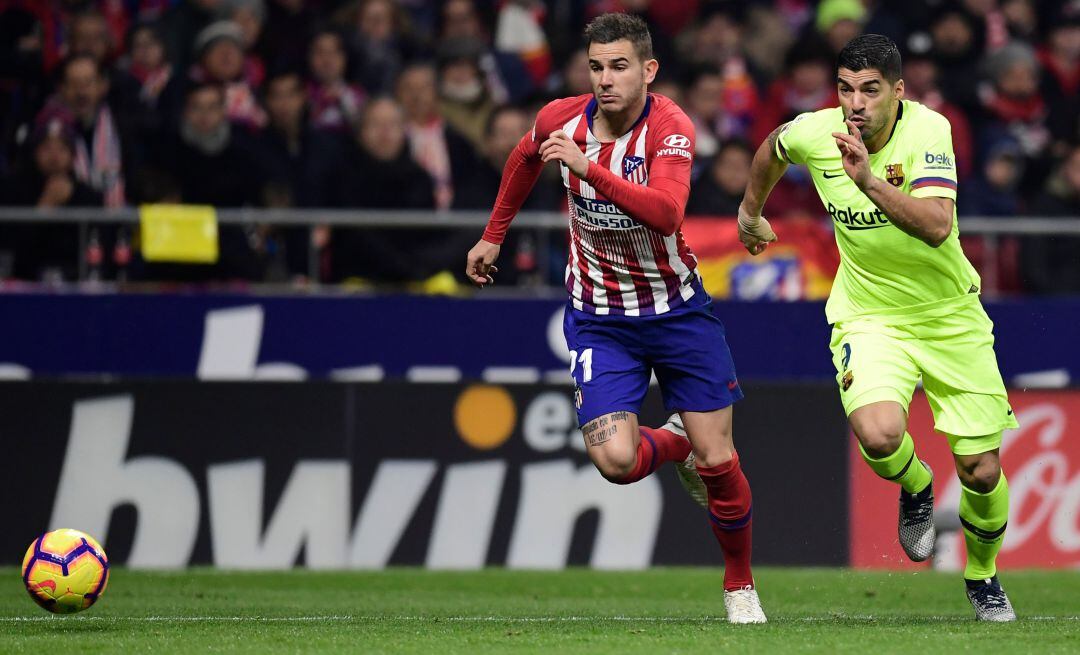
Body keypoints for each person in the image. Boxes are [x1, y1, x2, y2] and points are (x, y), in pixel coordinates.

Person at [465, 13, 766, 624]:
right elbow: (526, 160)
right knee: (616, 462)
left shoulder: (672, 127)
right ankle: (675, 439)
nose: (606, 79)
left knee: (719, 461)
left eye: (620, 66)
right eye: (597, 67)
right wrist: (494, 236)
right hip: (601, 317)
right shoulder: (561, 118)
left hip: (677, 311)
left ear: (648, 71)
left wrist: (587, 169)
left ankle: (739, 586)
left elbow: (666, 213)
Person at [738, 34, 1018, 621]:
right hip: (869, 314)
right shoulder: (817, 131)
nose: (855, 103)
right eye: (845, 89)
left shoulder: (929, 131)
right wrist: (751, 211)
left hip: (949, 316)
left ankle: (983, 575)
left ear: (898, 91)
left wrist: (868, 182)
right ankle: (916, 486)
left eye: (869, 90)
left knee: (982, 470)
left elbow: (938, 226)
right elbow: (771, 147)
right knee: (880, 433)